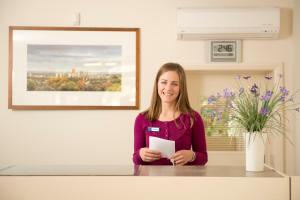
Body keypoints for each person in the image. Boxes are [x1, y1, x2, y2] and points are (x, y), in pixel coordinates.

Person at [133, 62, 207, 165]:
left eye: (174, 84)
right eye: (164, 82)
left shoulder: (193, 118)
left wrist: (191, 156)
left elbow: (203, 158)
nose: (168, 88)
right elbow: (136, 159)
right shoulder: (142, 119)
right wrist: (140, 154)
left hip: (182, 180)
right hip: (151, 180)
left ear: (181, 87)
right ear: (157, 84)